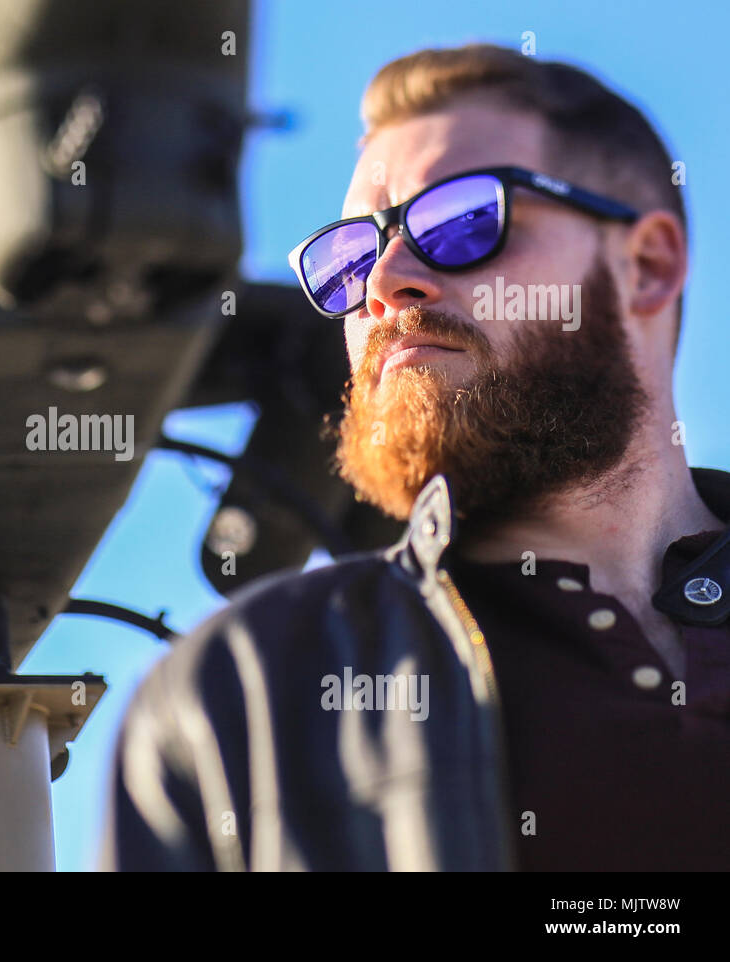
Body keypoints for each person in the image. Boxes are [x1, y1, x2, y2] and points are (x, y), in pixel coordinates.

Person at [101, 43, 730, 871]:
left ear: (645, 267)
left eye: (462, 222)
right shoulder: (235, 700)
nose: (385, 281)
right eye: (348, 259)